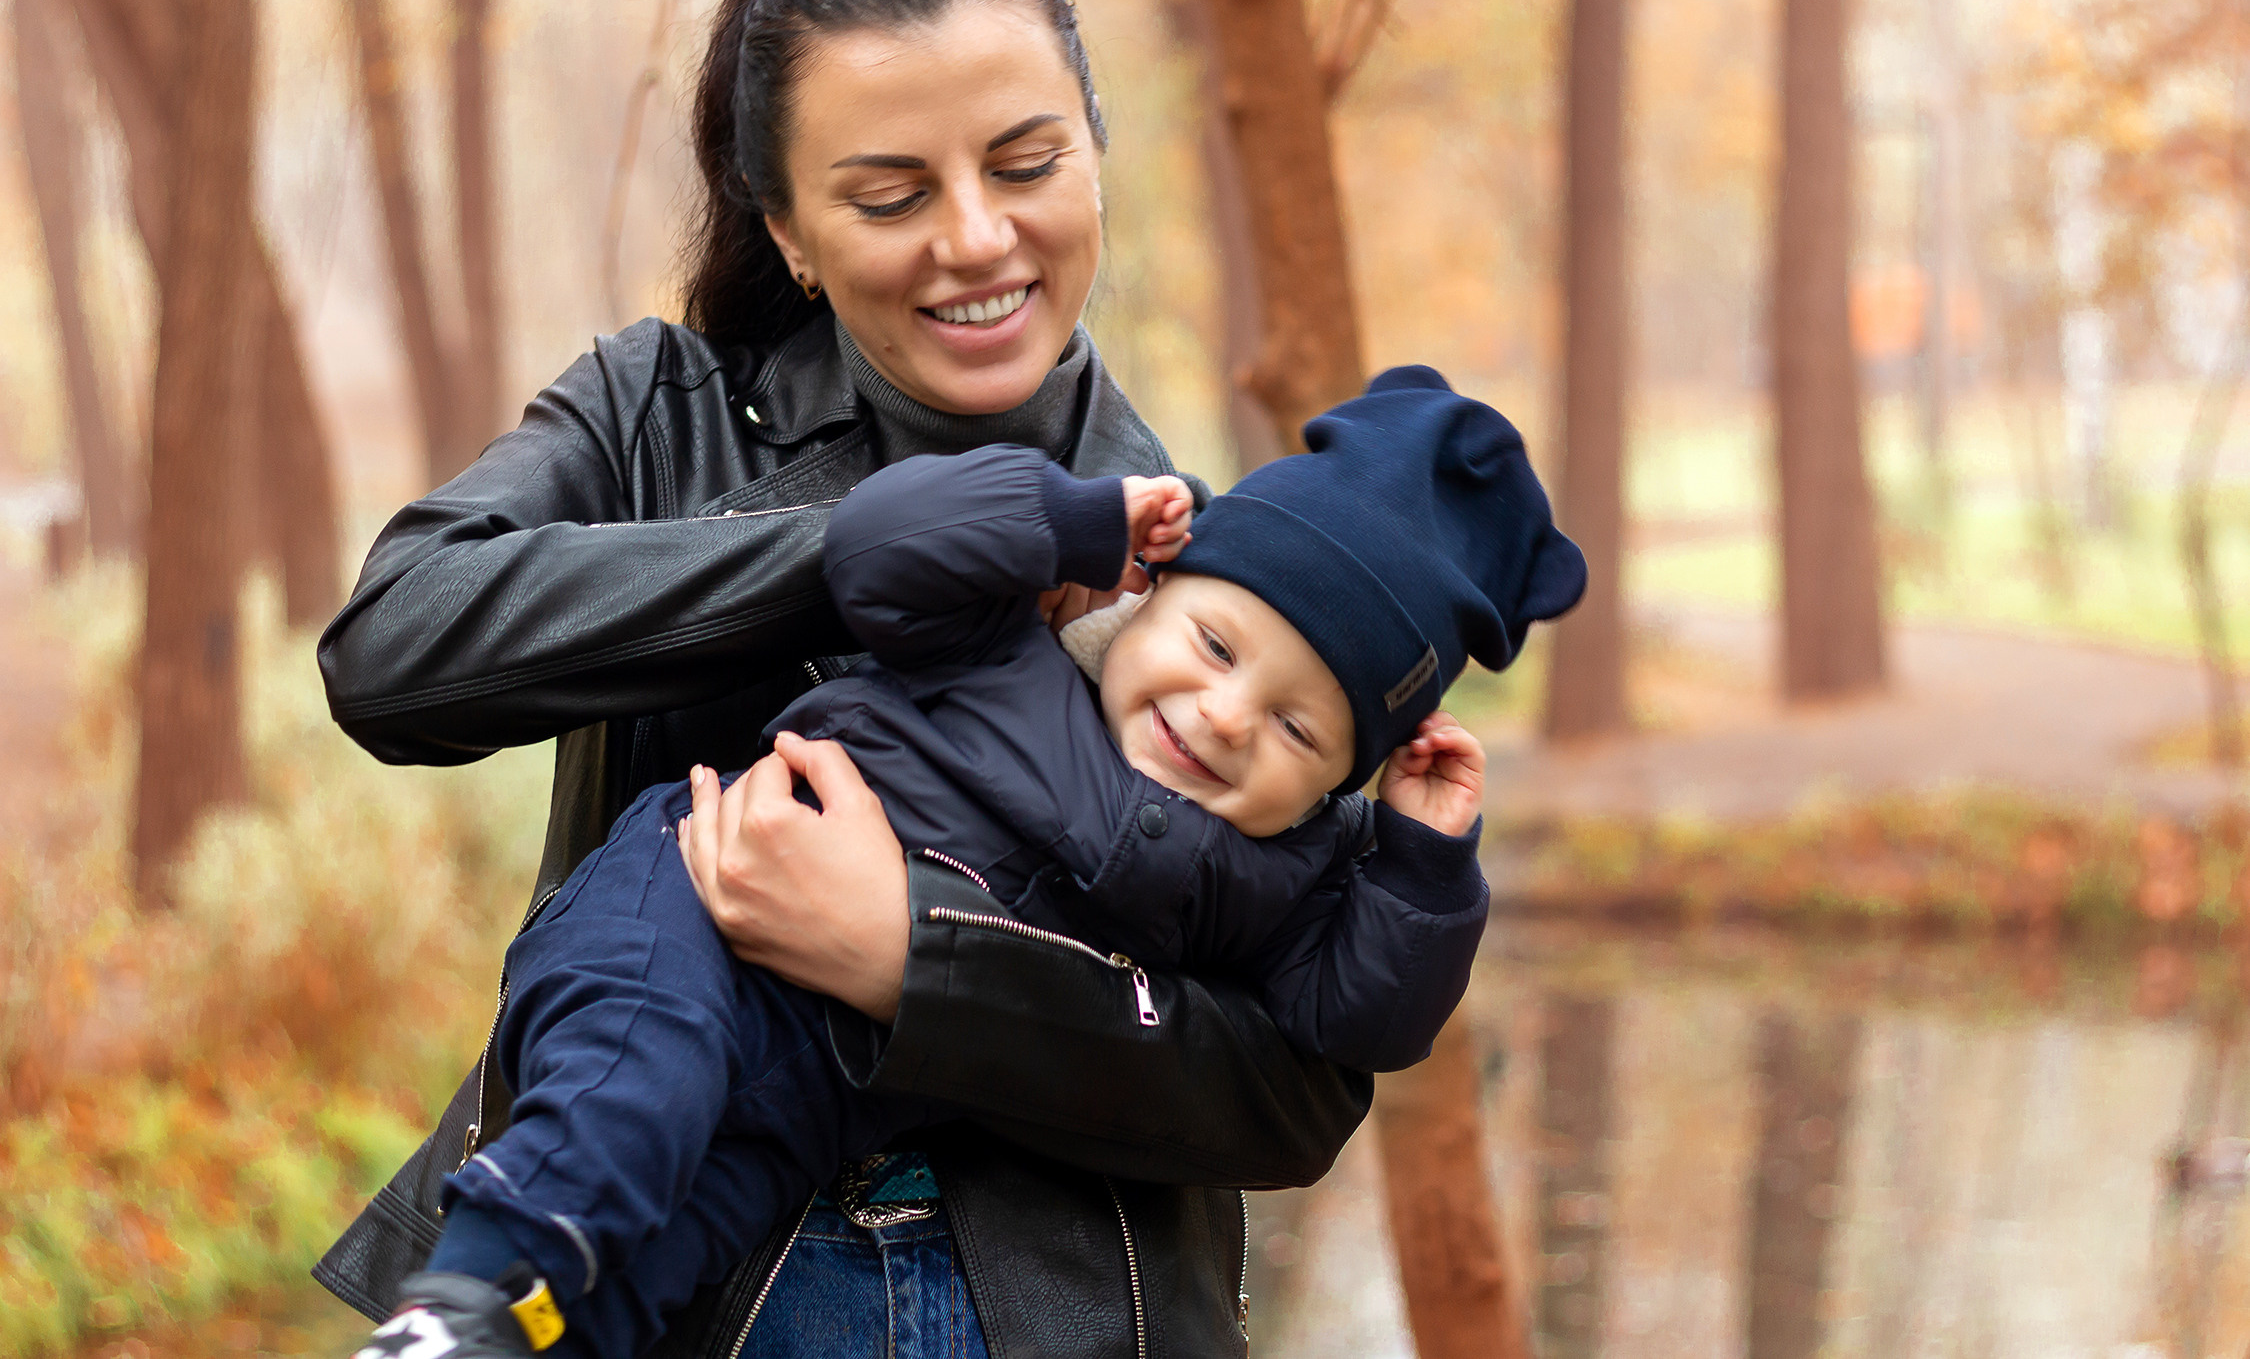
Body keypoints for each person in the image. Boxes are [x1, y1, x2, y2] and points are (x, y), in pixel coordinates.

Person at [318, 0, 1369, 1359]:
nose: (978, 236)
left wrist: (910, 961)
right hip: (677, 1287)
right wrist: (861, 560)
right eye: (889, 196)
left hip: (1066, 1320)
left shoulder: (1220, 565)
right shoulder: (655, 415)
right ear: (788, 233)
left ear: (1094, 157)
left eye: (1025, 164)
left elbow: (1295, 1086)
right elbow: (389, 653)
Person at [348, 371, 1584, 1358]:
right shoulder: (1015, 647)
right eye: (1214, 644)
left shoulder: (1284, 869)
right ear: (1152, 595)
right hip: (695, 900)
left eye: (1298, 728)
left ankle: (529, 1338)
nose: (1222, 717)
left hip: (832, 1086)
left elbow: (1348, 1024)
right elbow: (880, 554)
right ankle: (465, 1300)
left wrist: (1424, 861)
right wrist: (1073, 517)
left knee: (693, 1225)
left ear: (1335, 785)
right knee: (631, 1083)